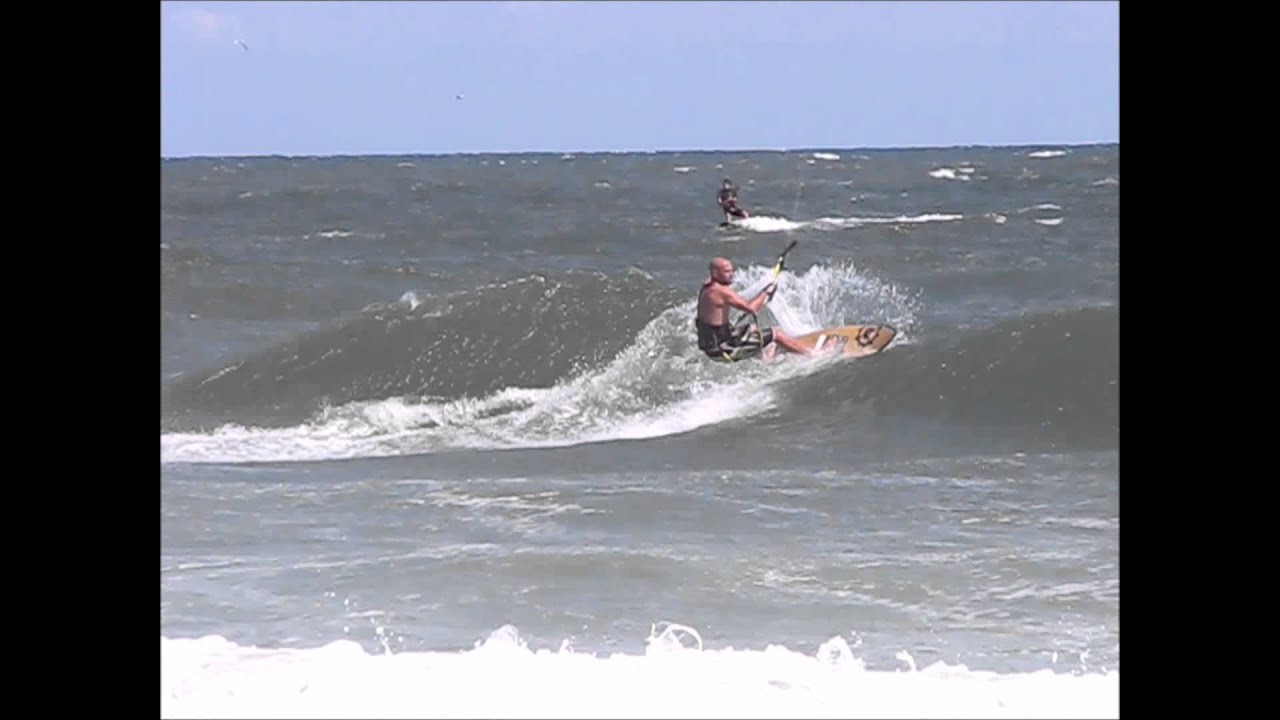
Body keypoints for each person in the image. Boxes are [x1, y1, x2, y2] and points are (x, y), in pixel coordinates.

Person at [695, 256, 813, 361]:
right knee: (776, 333)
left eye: (731, 270)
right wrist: (766, 292)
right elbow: (751, 308)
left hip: (712, 346)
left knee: (753, 328)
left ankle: (766, 358)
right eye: (726, 272)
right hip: (724, 350)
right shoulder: (721, 291)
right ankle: (811, 354)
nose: (731, 274)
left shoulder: (707, 287)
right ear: (714, 273)